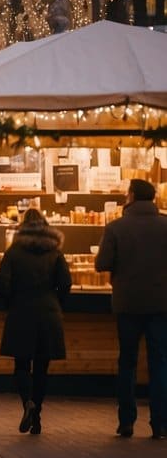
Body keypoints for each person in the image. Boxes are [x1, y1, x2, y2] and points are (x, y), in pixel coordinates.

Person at [95, 178, 167, 440]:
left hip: (127, 304)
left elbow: (102, 263)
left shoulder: (116, 227)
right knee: (160, 362)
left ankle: (126, 421)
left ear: (132, 196)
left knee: (127, 362)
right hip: (161, 304)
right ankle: (160, 422)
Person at [0, 209, 71, 436]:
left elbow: (2, 284)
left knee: (21, 364)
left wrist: (9, 303)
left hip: (21, 312)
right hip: (48, 313)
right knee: (41, 367)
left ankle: (27, 402)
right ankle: (36, 415)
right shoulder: (56, 252)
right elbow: (65, 283)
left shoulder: (14, 252)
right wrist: (56, 303)